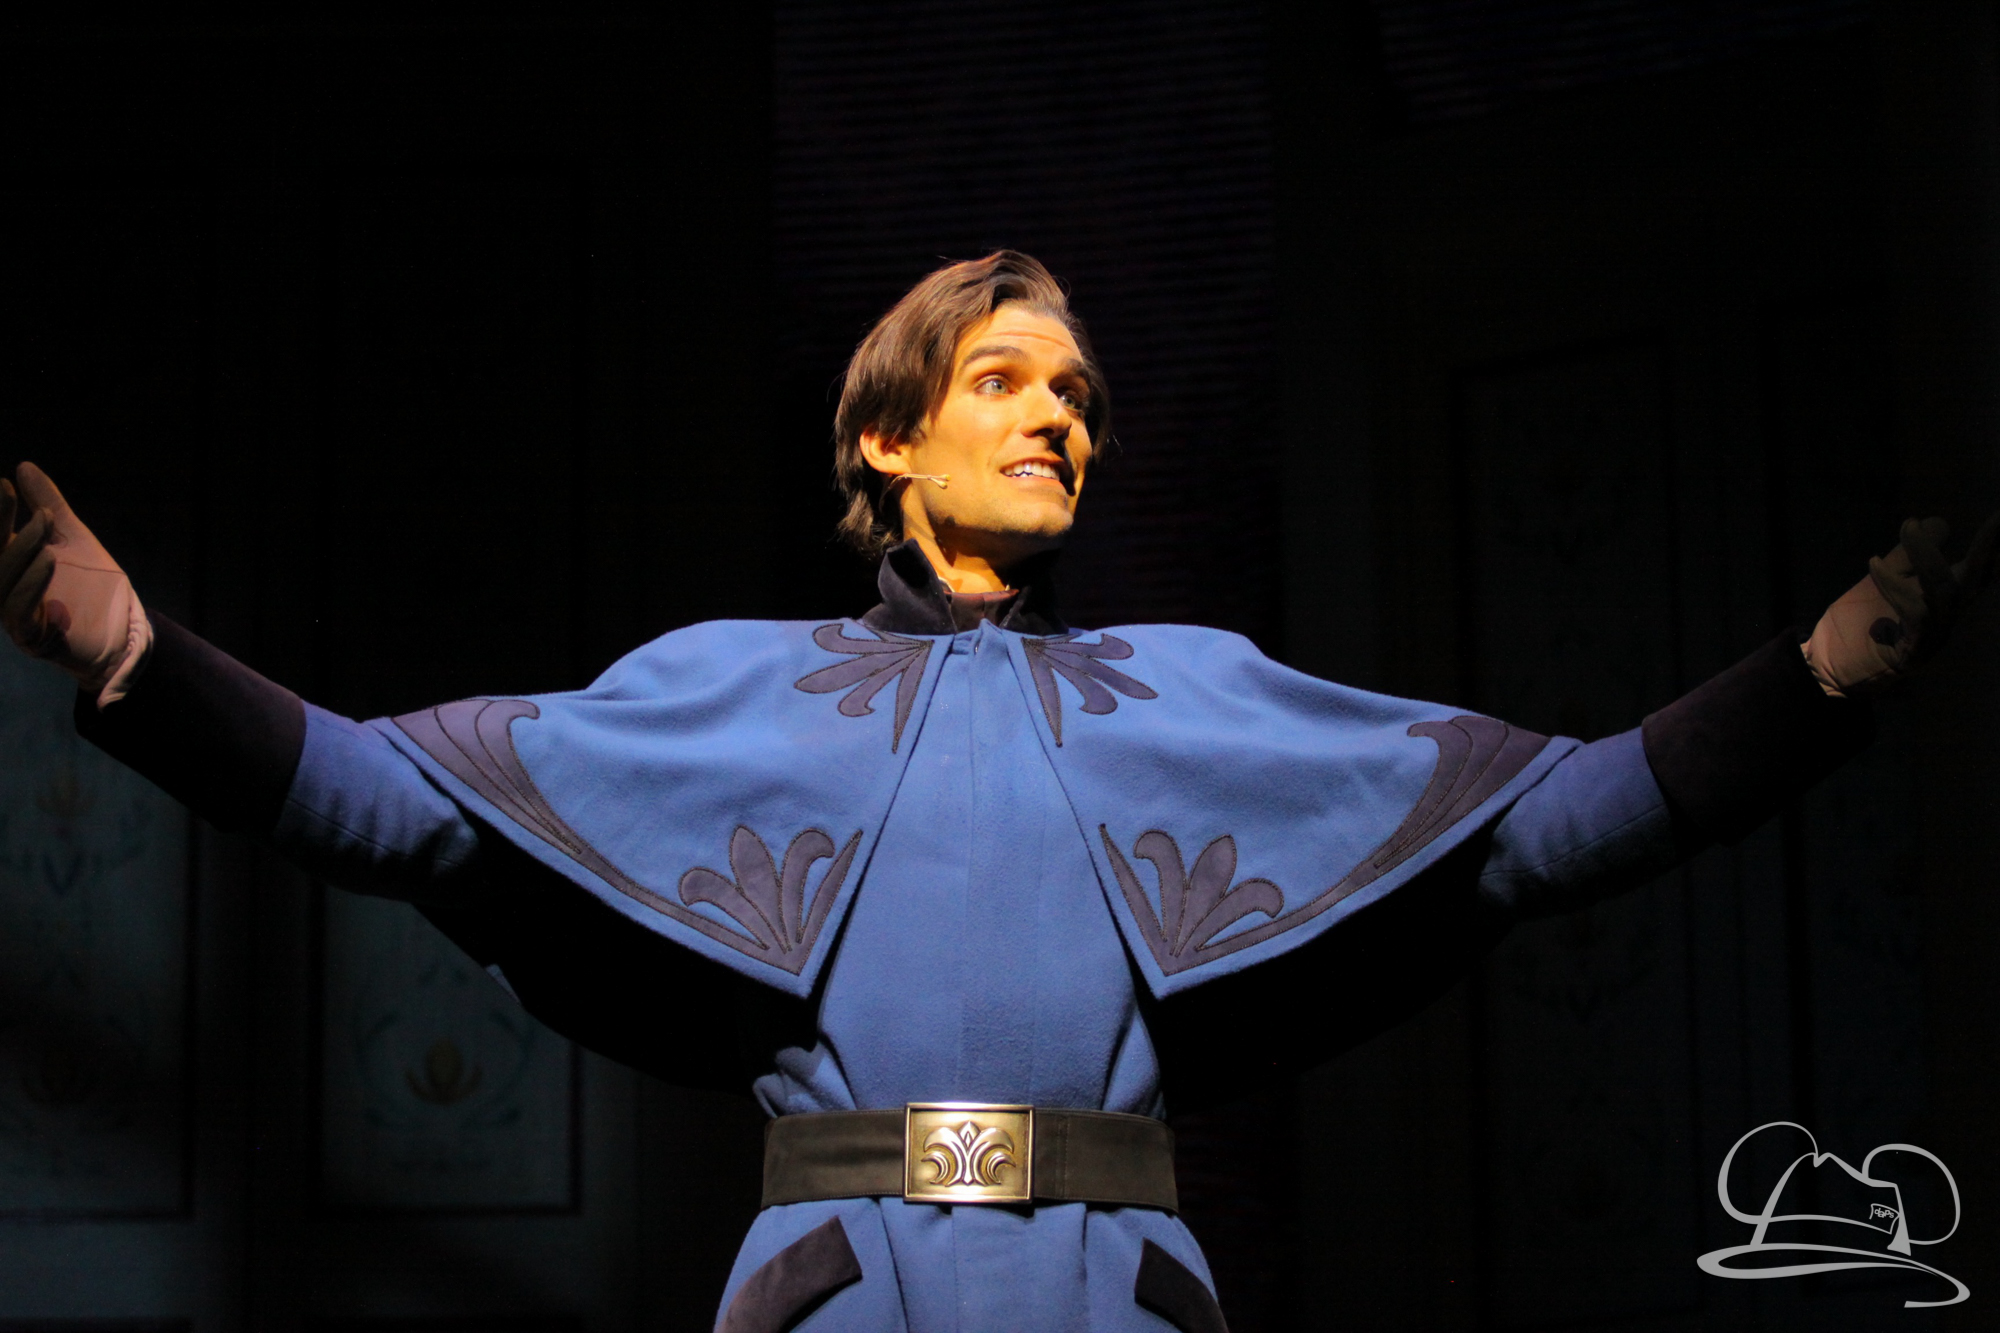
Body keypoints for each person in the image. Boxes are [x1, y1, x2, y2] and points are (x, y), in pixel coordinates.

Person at [0, 251, 1990, 1333]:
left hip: (1122, 1292)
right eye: (1009, 380)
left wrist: (1819, 680)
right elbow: (393, 797)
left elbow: (1543, 823)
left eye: (1083, 402)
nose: (1063, 419)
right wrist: (129, 654)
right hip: (839, 1291)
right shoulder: (733, 688)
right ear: (888, 435)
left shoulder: (1194, 696)